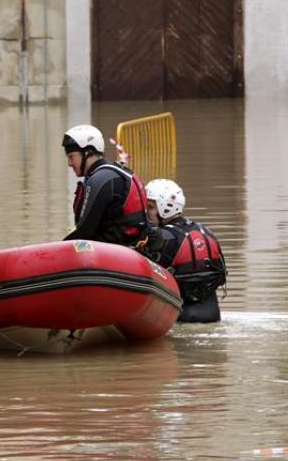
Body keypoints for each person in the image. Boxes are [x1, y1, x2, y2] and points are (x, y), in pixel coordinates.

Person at [145, 179, 227, 323]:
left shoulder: (162, 238)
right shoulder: (205, 231)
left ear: (165, 207)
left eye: (150, 208)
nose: (146, 213)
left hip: (180, 319)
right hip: (213, 316)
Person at [61, 125, 151, 247]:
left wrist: (58, 250)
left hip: (117, 253)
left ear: (88, 152)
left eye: (71, 156)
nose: (69, 163)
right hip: (132, 248)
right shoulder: (116, 172)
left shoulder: (100, 180)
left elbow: (85, 230)